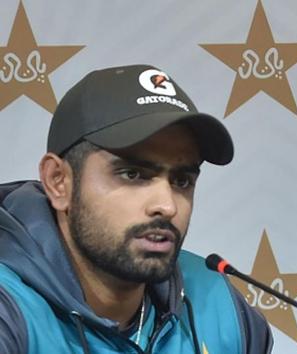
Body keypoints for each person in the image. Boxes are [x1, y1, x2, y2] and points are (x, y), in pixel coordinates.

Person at [0, 65, 273, 353]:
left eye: (182, 180)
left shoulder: (219, 304)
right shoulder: (9, 309)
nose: (166, 206)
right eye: (133, 174)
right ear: (59, 182)